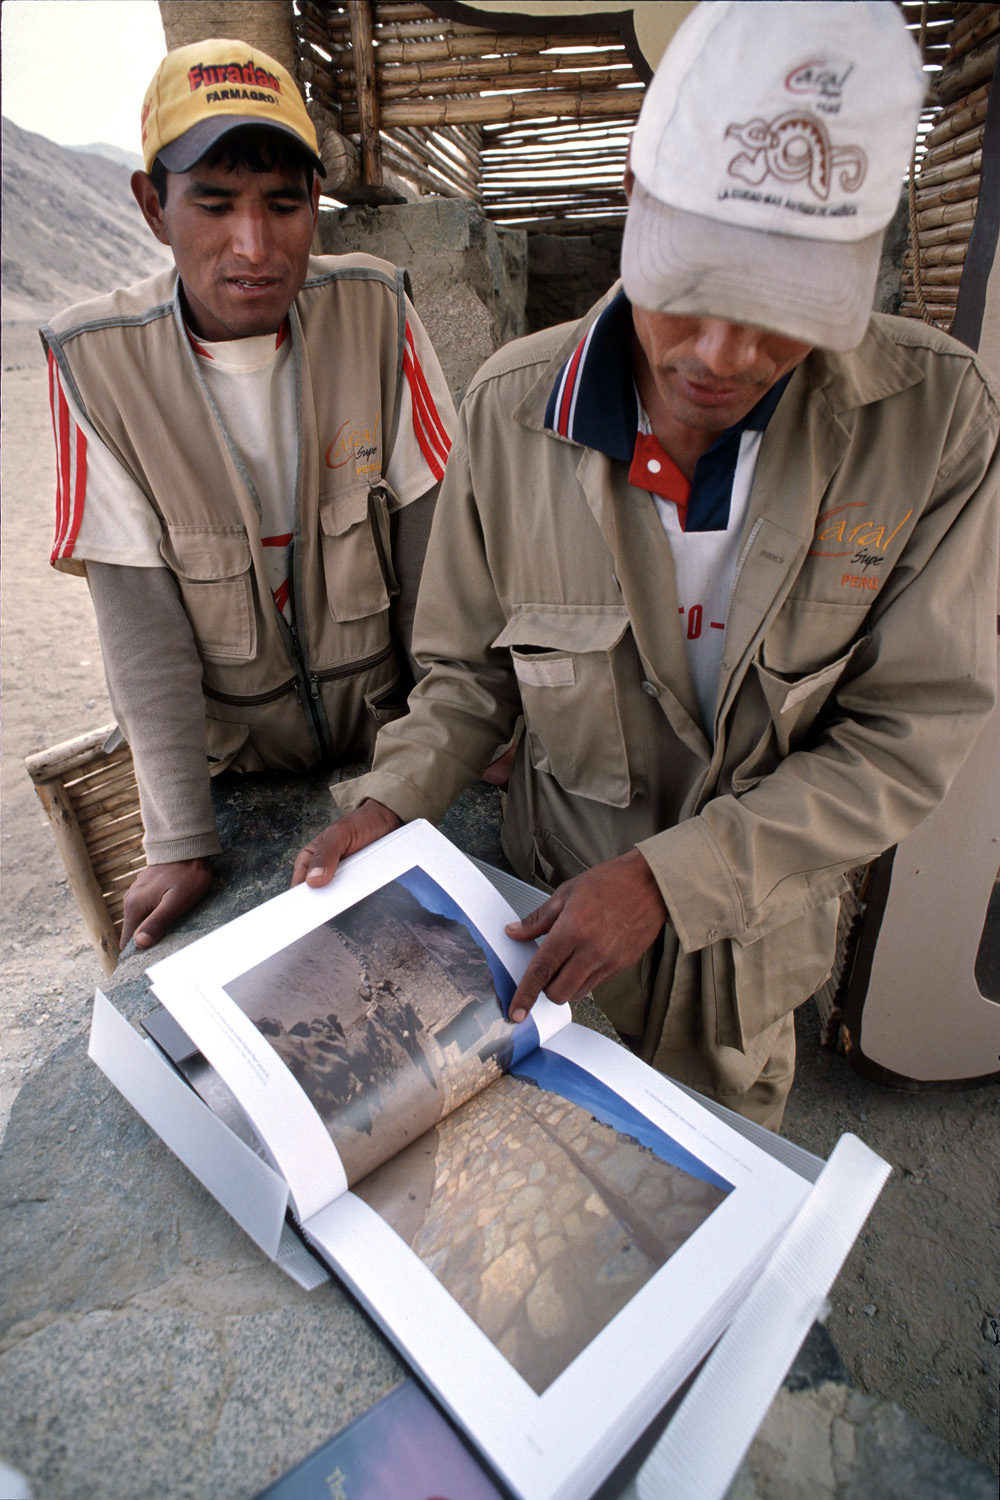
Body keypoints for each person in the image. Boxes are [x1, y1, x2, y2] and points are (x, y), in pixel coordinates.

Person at [294, 1, 999, 1129]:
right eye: (697, 286)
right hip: (543, 943)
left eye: (782, 311)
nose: (723, 357)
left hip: (744, 970)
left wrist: (674, 882)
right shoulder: (511, 413)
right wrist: (392, 801)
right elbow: (467, 678)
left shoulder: (933, 422)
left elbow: (903, 738)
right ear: (637, 192)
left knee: (715, 1192)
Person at [43, 39, 456, 951]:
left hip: (387, 753)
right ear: (153, 206)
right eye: (215, 203)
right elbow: (140, 624)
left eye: (282, 204)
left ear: (316, 201)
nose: (254, 246)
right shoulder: (96, 365)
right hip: (241, 779)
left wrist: (443, 751)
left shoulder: (377, 313)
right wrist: (182, 842)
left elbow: (436, 562)